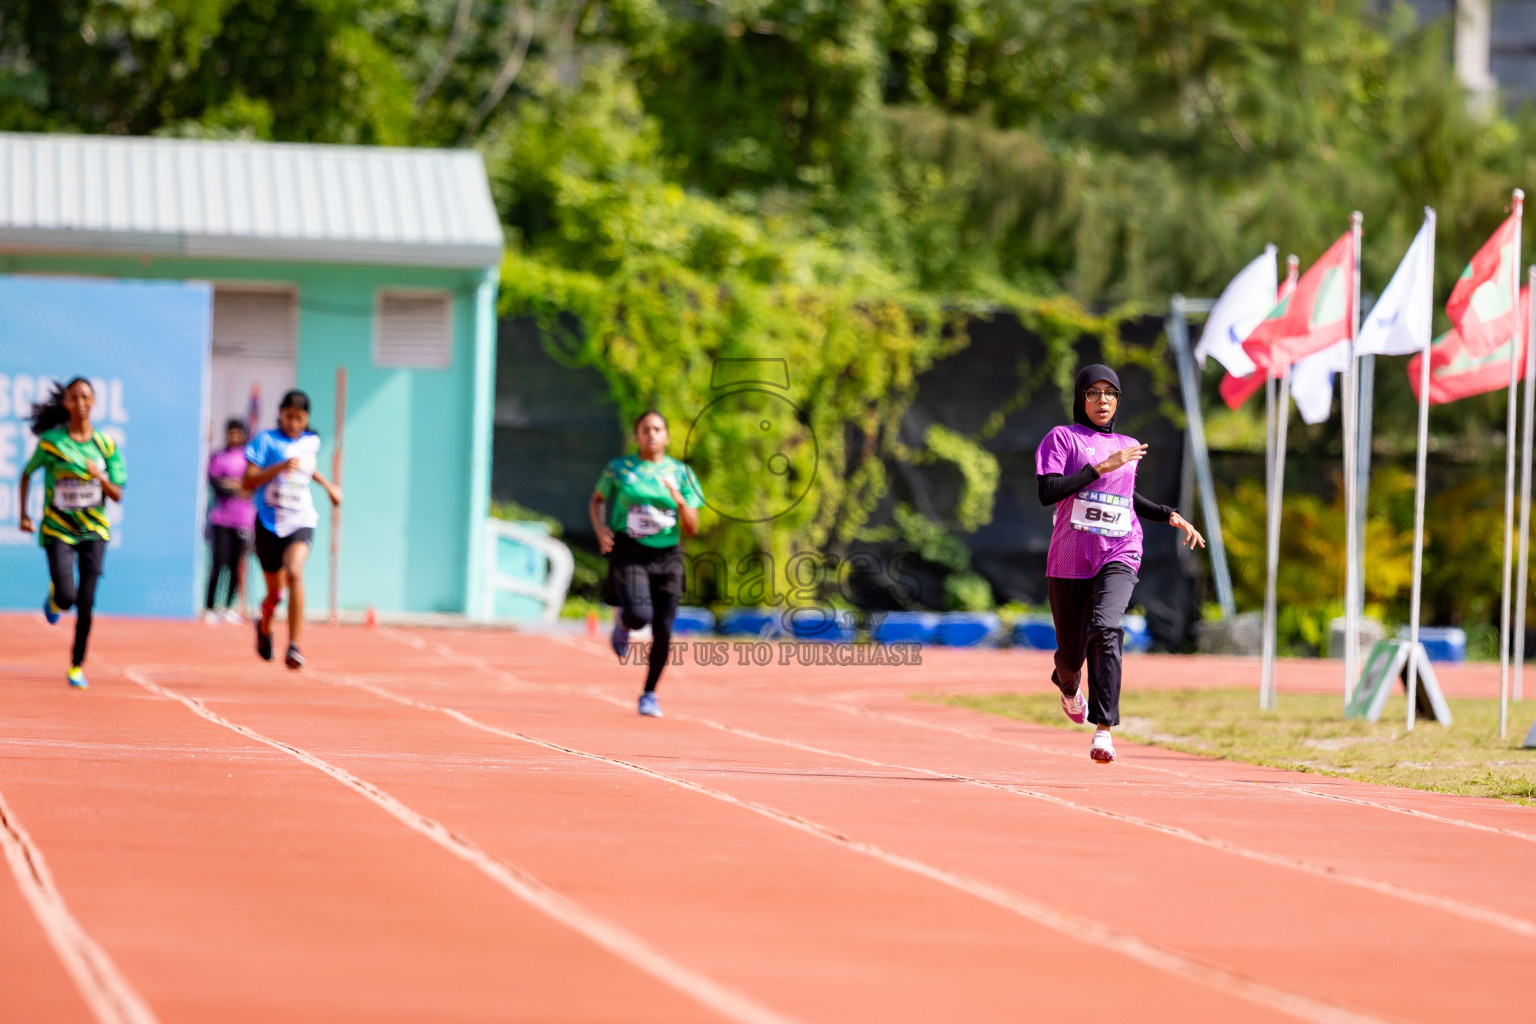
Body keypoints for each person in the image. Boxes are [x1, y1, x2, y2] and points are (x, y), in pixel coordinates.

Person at [1035, 364, 1205, 762]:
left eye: (1109, 393)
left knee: (1107, 626)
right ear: (1080, 398)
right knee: (1069, 657)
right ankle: (1066, 683)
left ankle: (1103, 730)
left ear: (1118, 400)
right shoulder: (1062, 438)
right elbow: (1049, 491)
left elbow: (1126, 497)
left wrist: (1168, 513)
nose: (1102, 401)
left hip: (1120, 548)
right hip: (1070, 559)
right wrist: (1100, 467)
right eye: (1093, 393)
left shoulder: (1128, 444)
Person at [589, 410, 704, 717]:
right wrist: (601, 529)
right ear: (637, 435)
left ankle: (649, 693)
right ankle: (625, 623)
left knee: (664, 629)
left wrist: (679, 500)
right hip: (630, 549)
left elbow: (692, 526)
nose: (651, 434)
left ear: (666, 436)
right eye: (645, 429)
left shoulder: (681, 474)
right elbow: (598, 499)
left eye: (657, 429)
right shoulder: (620, 469)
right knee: (640, 615)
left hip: (667, 555)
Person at [18, 377, 127, 689]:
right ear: (65, 403)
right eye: (74, 397)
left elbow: (117, 493)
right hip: (58, 529)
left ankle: (77, 665)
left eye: (86, 397)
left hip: (93, 530)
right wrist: (24, 514)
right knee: (68, 597)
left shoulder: (105, 445)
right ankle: (55, 600)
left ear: (93, 403)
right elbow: (27, 474)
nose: (80, 402)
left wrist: (100, 477)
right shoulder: (52, 442)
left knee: (88, 600)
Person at [242, 390, 341, 670]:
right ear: (280, 414)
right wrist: (279, 468)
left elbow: (308, 468)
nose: (294, 423)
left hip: (301, 520)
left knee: (295, 573)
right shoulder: (266, 441)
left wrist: (329, 487)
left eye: (299, 418)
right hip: (269, 524)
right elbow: (247, 481)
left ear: (307, 418)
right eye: (289, 417)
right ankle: (264, 626)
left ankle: (294, 645)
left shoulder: (312, 441)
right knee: (275, 594)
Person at [205, 419, 255, 624]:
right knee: (218, 563)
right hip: (221, 519)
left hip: (243, 520)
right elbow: (216, 484)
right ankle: (209, 607)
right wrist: (236, 487)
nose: (234, 437)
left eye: (237, 433)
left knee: (236, 565)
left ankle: (227, 607)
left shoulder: (249, 459)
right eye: (230, 433)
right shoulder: (218, 457)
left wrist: (238, 485)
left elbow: (252, 484)